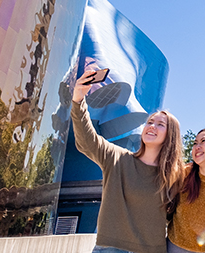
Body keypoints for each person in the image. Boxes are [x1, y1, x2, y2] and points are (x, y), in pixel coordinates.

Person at [72, 70, 184, 253]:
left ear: (170, 136)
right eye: (150, 122)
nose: (151, 126)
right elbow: (87, 141)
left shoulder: (177, 176)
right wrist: (78, 101)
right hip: (110, 249)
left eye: (160, 124)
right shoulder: (118, 158)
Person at [168, 128, 205, 253]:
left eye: (203, 141)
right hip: (176, 247)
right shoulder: (182, 174)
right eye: (195, 143)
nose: (197, 147)